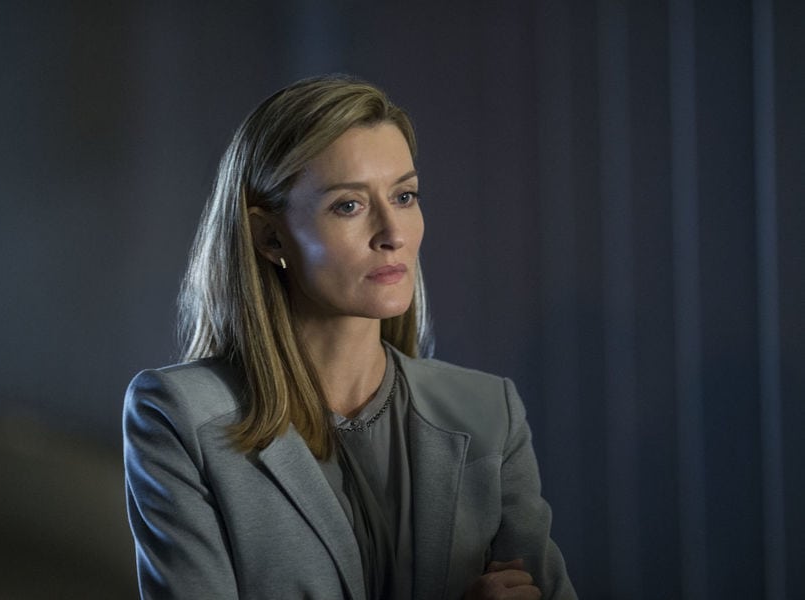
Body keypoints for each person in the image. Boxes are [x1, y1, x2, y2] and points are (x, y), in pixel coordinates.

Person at [123, 75, 576, 600]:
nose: (393, 233)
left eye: (404, 196)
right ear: (270, 237)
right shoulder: (178, 417)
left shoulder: (489, 413)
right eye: (349, 205)